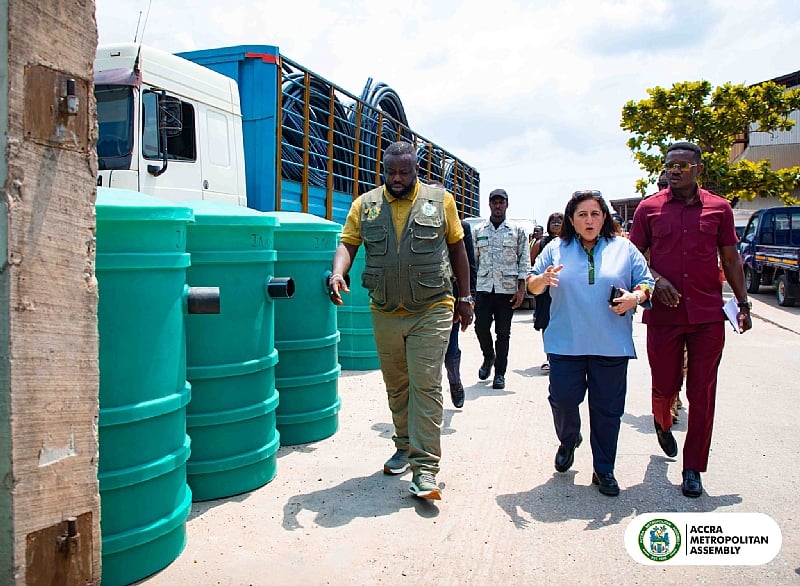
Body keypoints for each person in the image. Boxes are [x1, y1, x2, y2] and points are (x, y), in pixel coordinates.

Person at [328, 141, 473, 501]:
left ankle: (426, 469)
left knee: (425, 383)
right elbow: (348, 243)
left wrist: (466, 297)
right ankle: (404, 445)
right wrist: (336, 273)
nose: (396, 178)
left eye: (403, 172)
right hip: (385, 308)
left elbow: (457, 248)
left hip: (432, 305)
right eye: (390, 171)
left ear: (415, 171)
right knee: (397, 385)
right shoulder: (366, 204)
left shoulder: (441, 201)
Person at [628, 141, 752, 498]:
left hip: (707, 317)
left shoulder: (720, 209)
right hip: (664, 316)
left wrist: (742, 304)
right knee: (665, 385)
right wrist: (656, 280)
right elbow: (633, 259)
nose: (675, 170)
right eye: (670, 164)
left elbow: (730, 260)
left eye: (683, 164)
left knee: (702, 393)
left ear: (698, 169)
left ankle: (693, 467)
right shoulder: (648, 209)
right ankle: (662, 418)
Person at [526, 190, 654, 497]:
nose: (589, 220)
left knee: (608, 410)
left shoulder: (624, 248)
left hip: (611, 344)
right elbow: (532, 282)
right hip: (565, 343)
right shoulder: (556, 248)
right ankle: (569, 439)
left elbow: (646, 283)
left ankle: (604, 468)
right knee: (563, 399)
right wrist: (542, 280)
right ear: (571, 219)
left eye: (595, 214)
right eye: (582, 214)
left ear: (605, 218)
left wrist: (634, 298)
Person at [472, 189, 531, 390]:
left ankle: (499, 373)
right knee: (480, 327)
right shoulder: (479, 230)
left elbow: (524, 260)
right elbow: (474, 262)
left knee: (503, 333)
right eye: (494, 202)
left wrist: (522, 289)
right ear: (489, 205)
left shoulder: (517, 231)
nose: (498, 206)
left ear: (507, 204)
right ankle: (489, 357)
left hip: (506, 289)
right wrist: (471, 293)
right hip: (484, 288)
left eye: (501, 202)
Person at [428, 181, 477, 409]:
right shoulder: (419, 225)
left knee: (450, 349)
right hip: (423, 298)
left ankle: (455, 381)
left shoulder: (462, 227)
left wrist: (467, 299)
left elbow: (469, 265)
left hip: (451, 299)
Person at [528, 212, 564, 373]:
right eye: (553, 222)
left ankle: (562, 354)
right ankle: (550, 356)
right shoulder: (542, 243)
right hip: (545, 290)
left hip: (563, 289)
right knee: (546, 322)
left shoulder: (571, 243)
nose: (556, 224)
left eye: (559, 221)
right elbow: (531, 265)